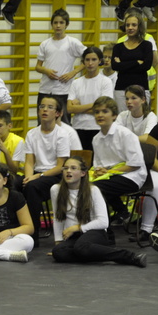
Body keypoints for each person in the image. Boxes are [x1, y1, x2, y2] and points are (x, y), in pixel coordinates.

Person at [51, 156, 147, 267]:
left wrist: (77, 227)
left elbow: (103, 222)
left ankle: (130, 256)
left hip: (95, 233)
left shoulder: (93, 190)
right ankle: (95, 253)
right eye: (65, 168)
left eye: (73, 168)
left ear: (83, 173)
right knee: (58, 252)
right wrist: (58, 242)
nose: (68, 171)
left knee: (81, 247)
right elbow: (58, 217)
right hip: (74, 236)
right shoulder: (56, 189)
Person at [89, 96, 146, 227]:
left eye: (105, 111)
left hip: (132, 176)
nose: (100, 115)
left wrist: (109, 172)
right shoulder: (96, 139)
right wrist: (99, 171)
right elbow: (98, 165)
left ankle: (105, 227)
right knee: (82, 186)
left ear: (114, 115)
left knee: (95, 189)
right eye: (97, 112)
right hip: (110, 176)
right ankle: (121, 211)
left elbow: (135, 165)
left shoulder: (125, 134)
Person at [22, 96, 71, 247]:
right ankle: (15, 229)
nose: (44, 110)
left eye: (50, 107)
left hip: (55, 175)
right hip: (36, 174)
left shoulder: (62, 134)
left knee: (32, 187)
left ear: (58, 113)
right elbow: (29, 161)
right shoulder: (31, 133)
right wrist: (28, 177)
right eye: (42, 106)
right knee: (12, 183)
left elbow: (60, 166)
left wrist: (37, 177)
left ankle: (33, 235)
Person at [35, 9, 86, 124]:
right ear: (52, 24)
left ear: (66, 24)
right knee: (42, 122)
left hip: (64, 90)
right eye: (55, 23)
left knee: (64, 123)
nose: (58, 26)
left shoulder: (73, 43)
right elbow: (38, 67)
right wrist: (46, 71)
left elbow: (90, 57)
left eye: (61, 23)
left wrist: (73, 72)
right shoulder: (45, 44)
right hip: (45, 89)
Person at [67, 47, 114, 152]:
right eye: (87, 60)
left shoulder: (106, 81)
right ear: (83, 62)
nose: (90, 63)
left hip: (98, 127)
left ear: (100, 61)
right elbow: (69, 109)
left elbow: (104, 108)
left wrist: (79, 108)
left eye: (94, 59)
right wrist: (95, 105)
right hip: (78, 127)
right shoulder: (76, 83)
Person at [112, 11, 153, 111]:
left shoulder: (146, 45)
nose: (130, 28)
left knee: (141, 118)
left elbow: (146, 66)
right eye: (127, 25)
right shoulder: (118, 47)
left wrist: (122, 64)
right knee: (122, 119)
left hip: (141, 89)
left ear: (139, 27)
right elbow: (115, 66)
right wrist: (136, 62)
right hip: (121, 89)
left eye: (134, 25)